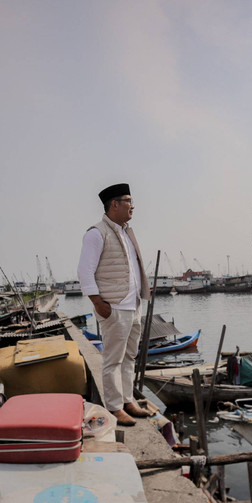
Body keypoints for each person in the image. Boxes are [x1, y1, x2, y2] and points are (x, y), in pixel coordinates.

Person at [77, 183, 151, 426]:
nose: (133, 206)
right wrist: (99, 303)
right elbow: (85, 272)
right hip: (114, 306)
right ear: (115, 204)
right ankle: (115, 407)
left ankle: (128, 400)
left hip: (133, 305)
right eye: (128, 201)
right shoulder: (96, 233)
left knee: (129, 356)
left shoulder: (127, 232)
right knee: (113, 359)